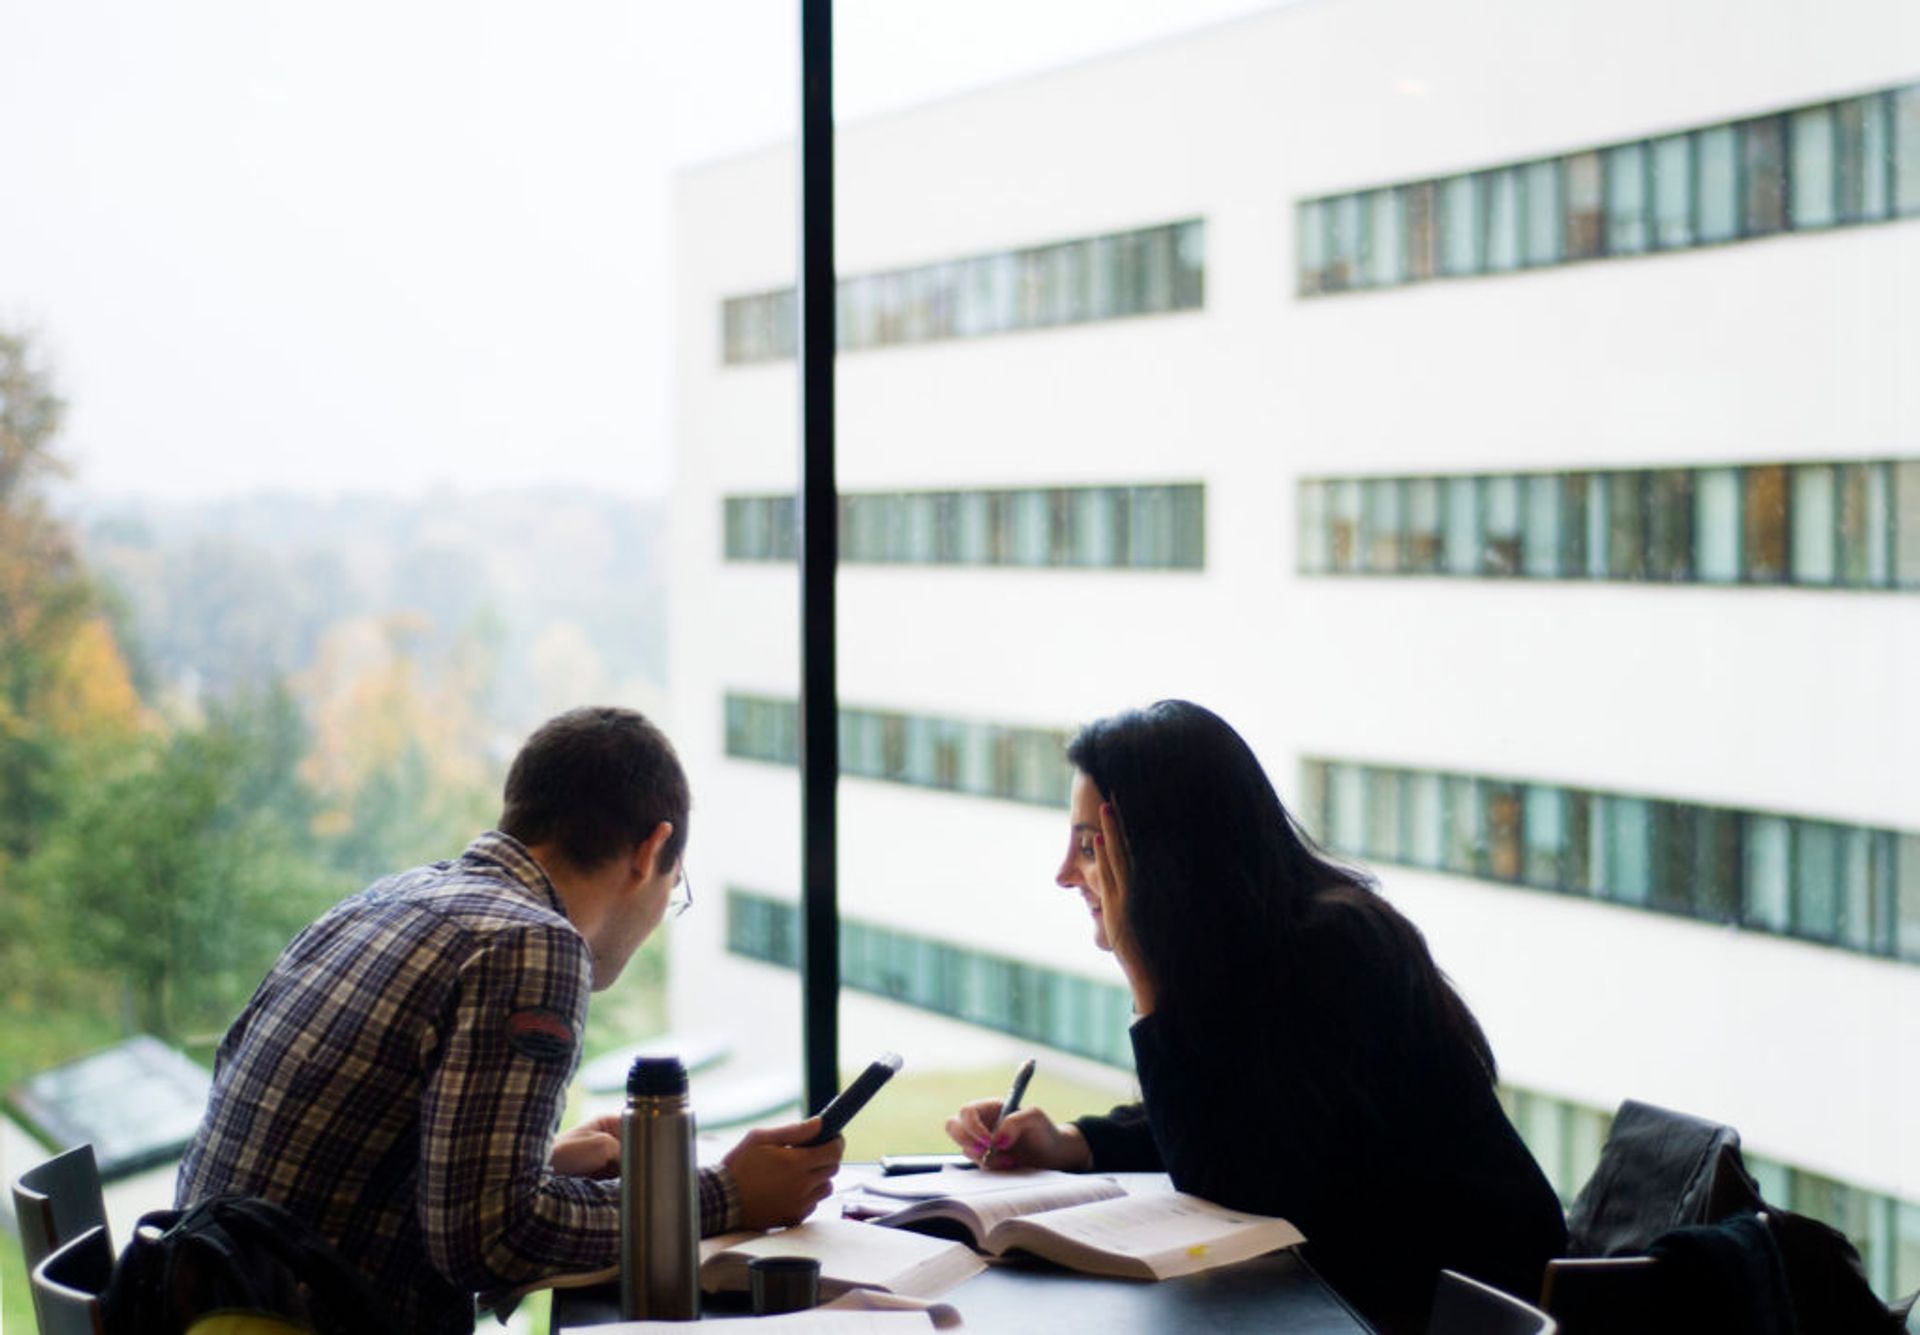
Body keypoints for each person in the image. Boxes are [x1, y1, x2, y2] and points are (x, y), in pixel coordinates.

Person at [176, 706, 843, 1334]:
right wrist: (724, 1194)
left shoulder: (383, 901)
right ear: (650, 851)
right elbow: (491, 1239)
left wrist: (543, 1166)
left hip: (199, 1303)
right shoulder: (532, 943)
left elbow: (338, 1176)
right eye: (676, 888)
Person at [944, 700, 1567, 1335]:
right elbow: (1239, 1117)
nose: (1064, 874)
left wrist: (1143, 974)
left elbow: (1230, 1179)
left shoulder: (1337, 944)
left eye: (1088, 846)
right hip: (1360, 1293)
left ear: (1159, 851)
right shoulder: (1244, 943)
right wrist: (1073, 1143)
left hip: (1458, 1309)